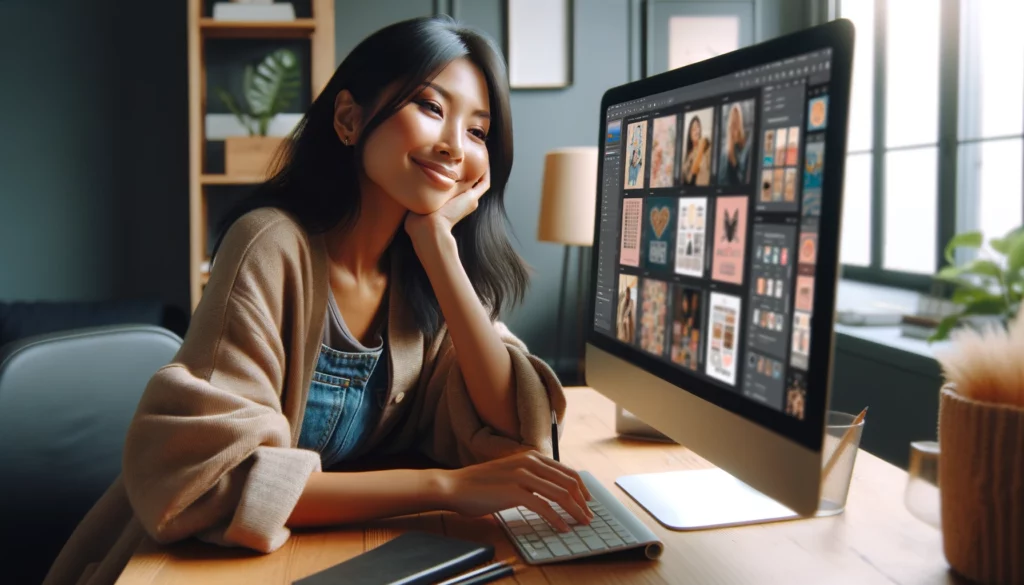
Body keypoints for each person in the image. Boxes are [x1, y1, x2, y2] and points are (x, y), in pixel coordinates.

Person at [43, 16, 592, 585]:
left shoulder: (427, 269)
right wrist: (446, 490)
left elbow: (514, 430)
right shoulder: (271, 244)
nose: (456, 145)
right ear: (350, 119)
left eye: (478, 131)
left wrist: (439, 252)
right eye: (431, 107)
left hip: (328, 554)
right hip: (189, 562)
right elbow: (208, 482)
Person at [718, 102, 751, 186]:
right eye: (733, 121)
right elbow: (721, 179)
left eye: (737, 120)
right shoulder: (725, 150)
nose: (735, 124)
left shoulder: (744, 146)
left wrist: (735, 163)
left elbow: (743, 176)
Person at [682, 116, 711, 186]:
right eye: (693, 128)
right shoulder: (688, 156)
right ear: (690, 134)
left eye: (697, 126)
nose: (696, 130)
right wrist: (700, 149)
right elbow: (690, 177)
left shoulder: (707, 146)